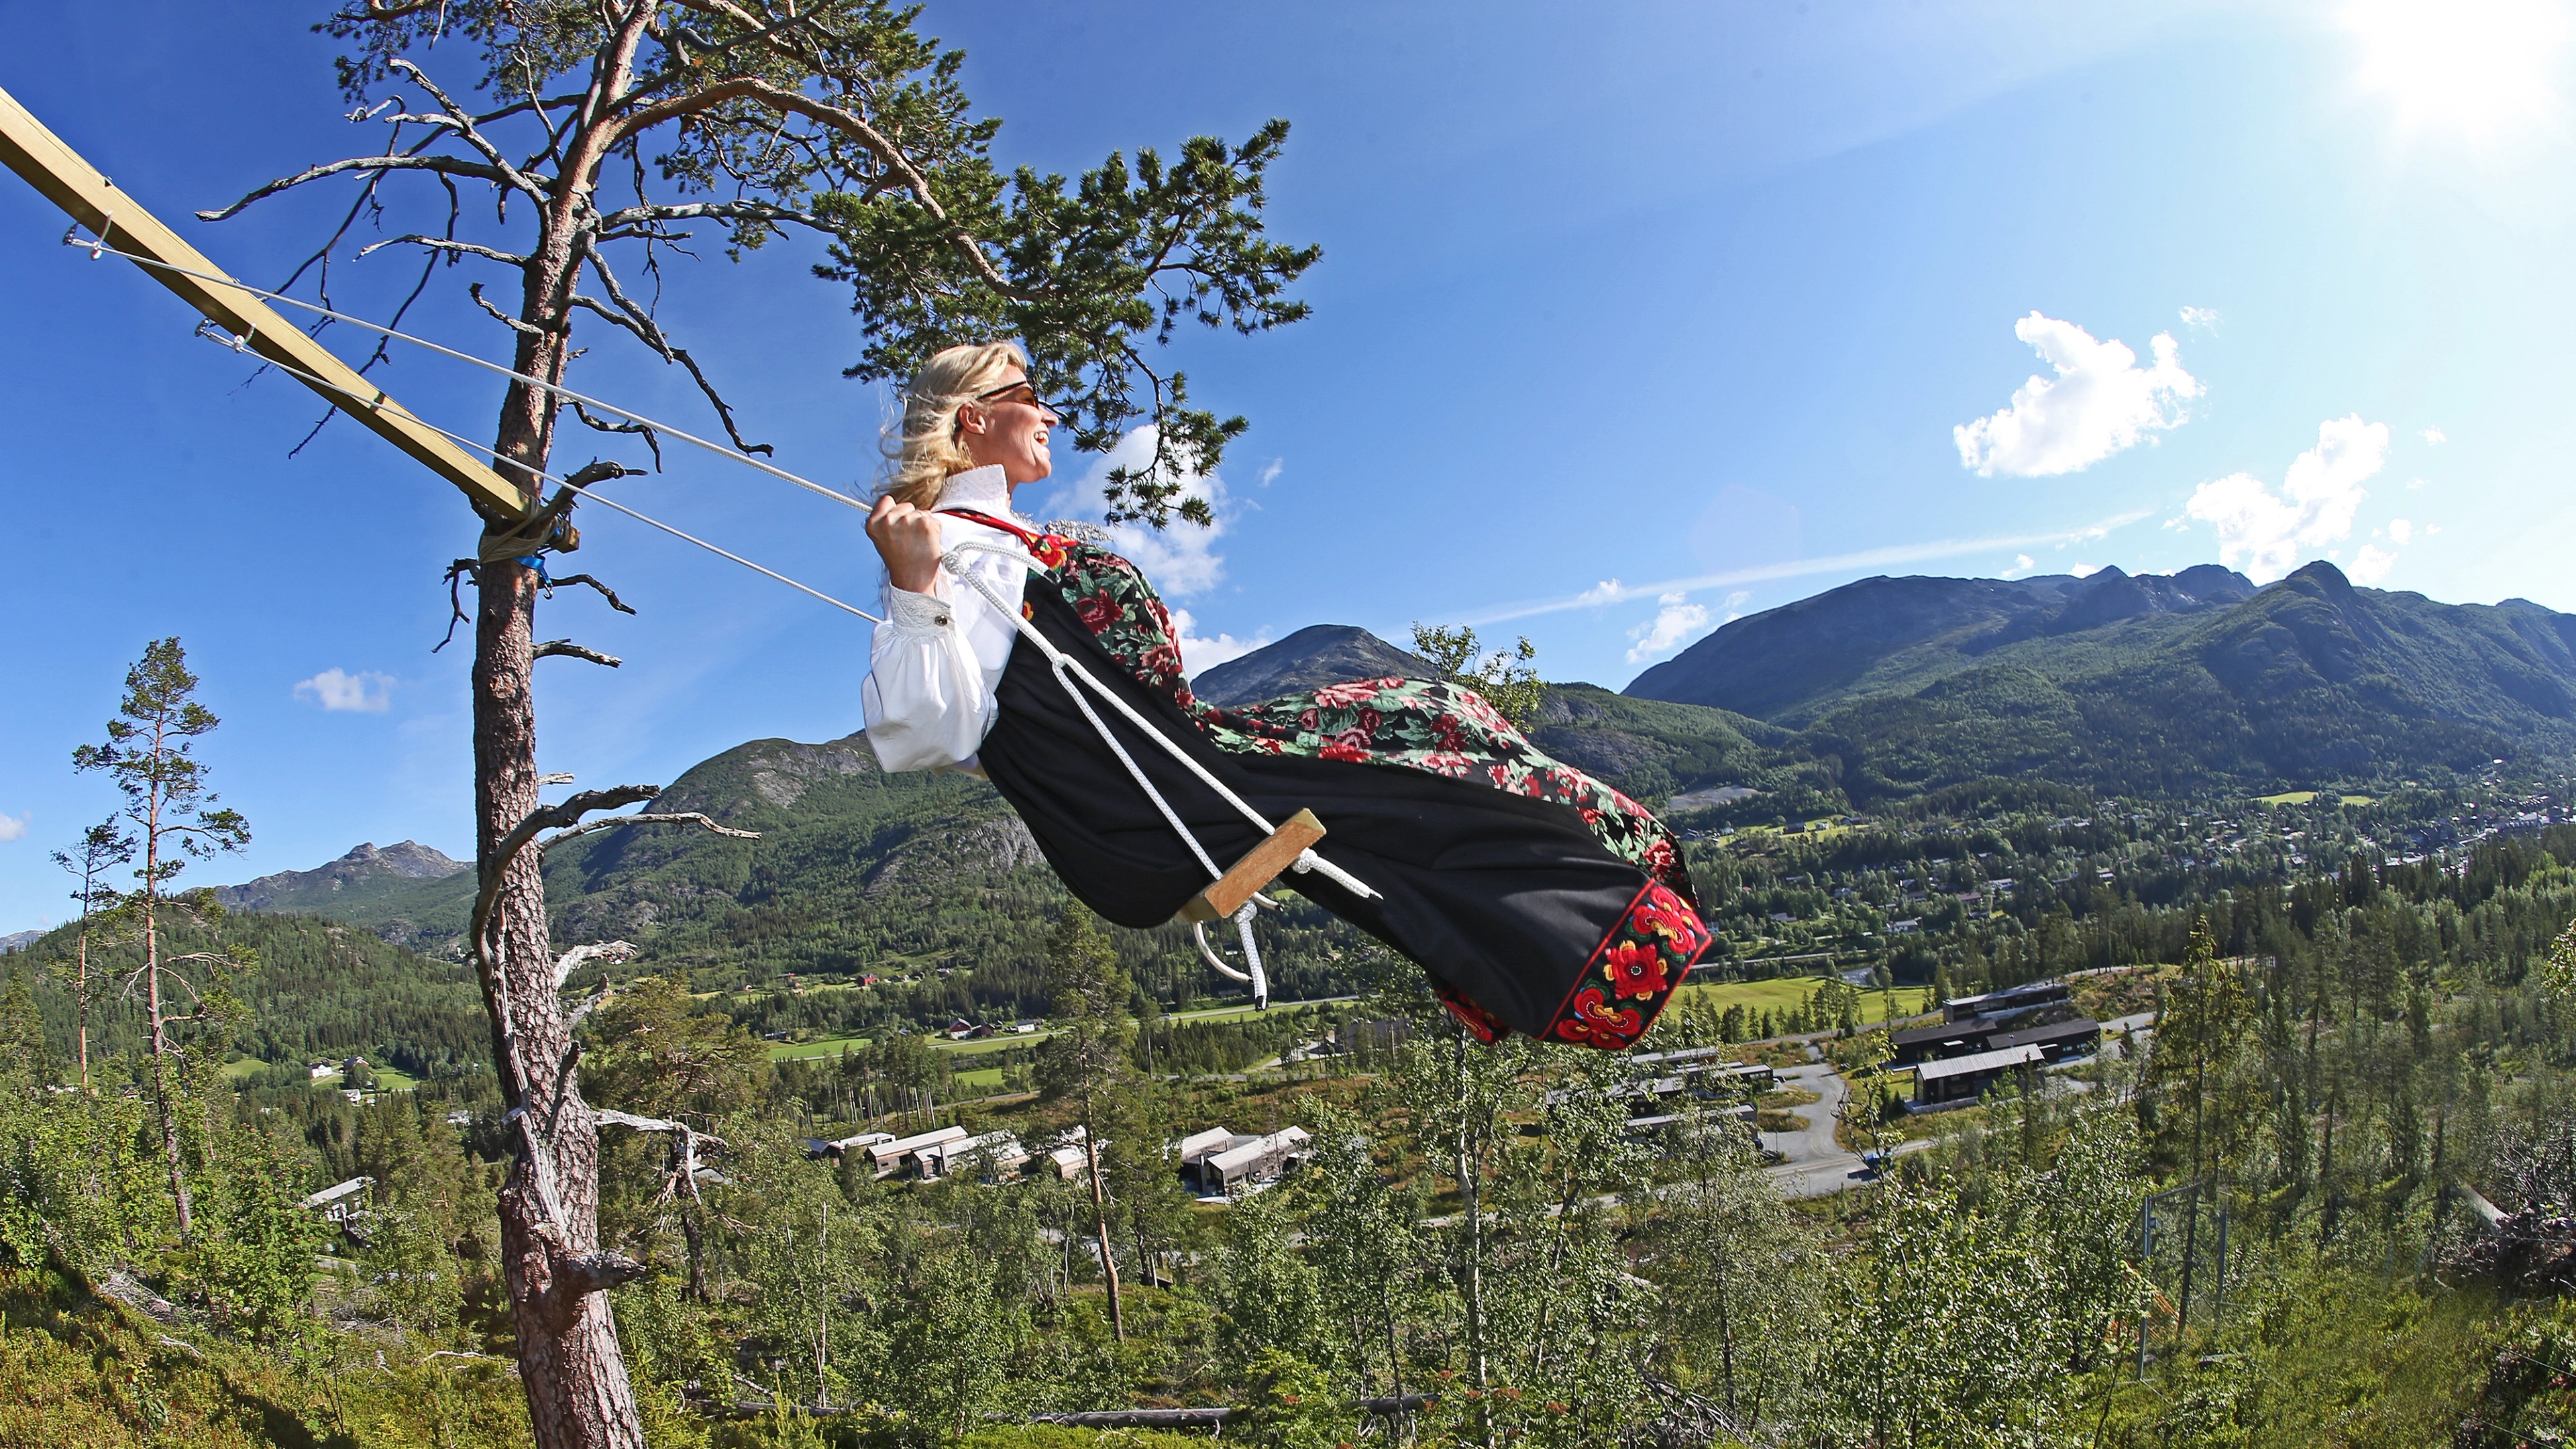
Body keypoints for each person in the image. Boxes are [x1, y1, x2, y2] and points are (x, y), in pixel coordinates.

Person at [861, 341, 1710, 1049]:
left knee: (1433, 717)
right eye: (1032, 396)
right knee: (1428, 757)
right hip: (1157, 804)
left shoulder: (1007, 540)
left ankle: (1575, 943)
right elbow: (929, 734)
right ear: (974, 416)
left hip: (1181, 766)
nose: (1051, 416)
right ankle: (1604, 940)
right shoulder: (957, 549)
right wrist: (910, 588)